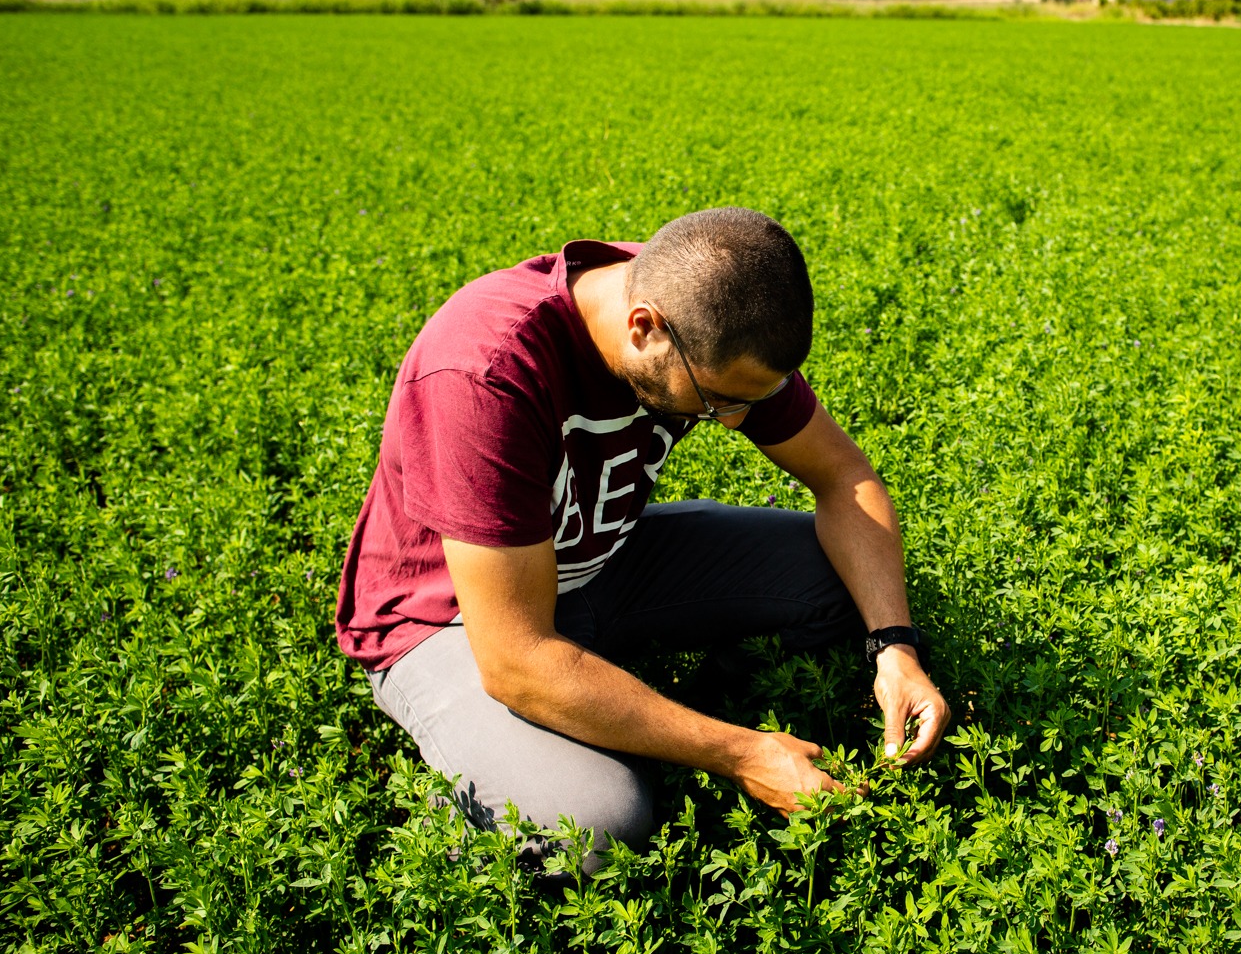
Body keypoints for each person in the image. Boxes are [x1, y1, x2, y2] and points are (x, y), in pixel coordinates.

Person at [333, 207, 950, 873]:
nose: (737, 420)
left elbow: (844, 477)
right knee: (598, 826)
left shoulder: (717, 306)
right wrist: (740, 751)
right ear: (645, 327)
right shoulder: (485, 370)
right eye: (718, 402)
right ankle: (468, 800)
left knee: (848, 579)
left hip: (601, 558)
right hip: (449, 621)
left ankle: (655, 698)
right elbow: (515, 657)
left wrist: (894, 647)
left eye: (756, 398)